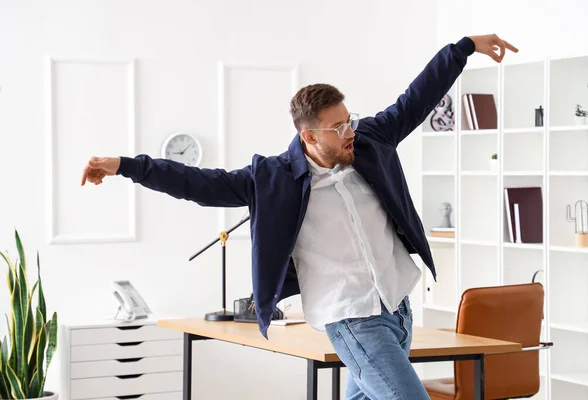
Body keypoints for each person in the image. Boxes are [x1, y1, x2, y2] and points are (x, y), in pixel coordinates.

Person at [81, 34, 517, 399]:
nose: (350, 132)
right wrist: (124, 164)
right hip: (351, 318)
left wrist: (463, 48)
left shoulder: (370, 142)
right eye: (339, 127)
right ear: (308, 136)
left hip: (398, 306)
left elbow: (416, 99)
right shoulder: (271, 179)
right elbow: (196, 182)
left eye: (350, 120)